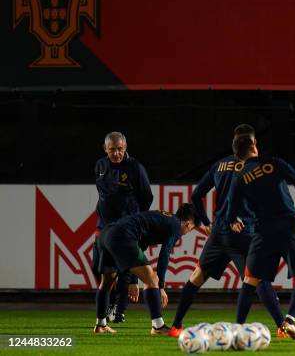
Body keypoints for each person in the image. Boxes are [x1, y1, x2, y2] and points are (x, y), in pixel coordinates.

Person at [168, 124, 274, 337]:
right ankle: (283, 327)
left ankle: (176, 326)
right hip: (243, 233)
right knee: (258, 278)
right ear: (253, 145)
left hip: (218, 233)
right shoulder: (255, 169)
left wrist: (206, 222)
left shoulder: (220, 165)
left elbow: (197, 195)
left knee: (196, 277)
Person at [227, 134, 295, 341]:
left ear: (237, 155)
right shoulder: (273, 163)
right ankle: (289, 321)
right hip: (288, 227)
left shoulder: (239, 177)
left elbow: (231, 208)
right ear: (254, 147)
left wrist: (233, 220)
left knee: (251, 281)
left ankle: (235, 331)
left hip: (263, 230)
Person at [93, 203, 200, 334]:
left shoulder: (164, 219)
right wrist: (160, 286)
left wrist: (133, 281)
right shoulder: (176, 226)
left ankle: (100, 325)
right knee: (152, 279)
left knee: (107, 283)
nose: (187, 232)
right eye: (191, 229)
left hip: (106, 234)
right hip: (121, 235)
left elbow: (137, 249)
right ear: (189, 223)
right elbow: (164, 254)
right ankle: (158, 327)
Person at [93, 131, 154, 323]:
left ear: (125, 148)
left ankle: (118, 311)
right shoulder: (100, 165)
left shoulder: (135, 168)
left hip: (125, 228)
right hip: (103, 227)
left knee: (126, 269)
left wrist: (134, 220)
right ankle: (110, 304)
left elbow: (147, 197)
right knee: (100, 269)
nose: (116, 153)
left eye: (120, 149)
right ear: (105, 149)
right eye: (112, 149)